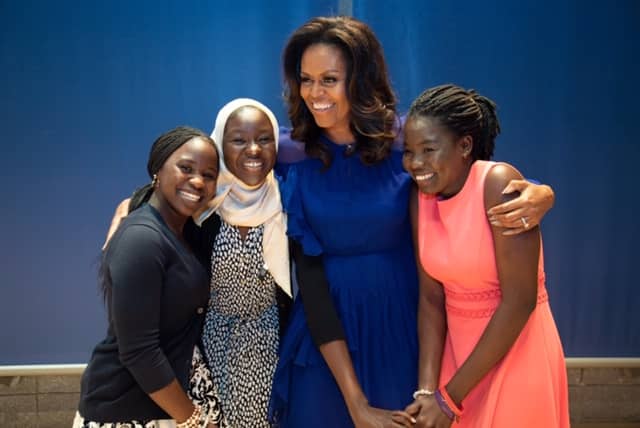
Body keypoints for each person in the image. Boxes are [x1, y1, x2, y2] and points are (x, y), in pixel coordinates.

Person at [268, 16, 556, 428]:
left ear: (360, 80)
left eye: (329, 79)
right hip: (325, 334)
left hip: (404, 328)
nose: (315, 93)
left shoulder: (404, 140)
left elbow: (474, 170)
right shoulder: (290, 149)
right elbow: (220, 163)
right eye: (306, 79)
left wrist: (543, 190)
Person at [402, 84, 569, 427]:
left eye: (429, 149)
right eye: (409, 151)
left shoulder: (498, 183)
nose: (416, 163)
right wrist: (427, 391)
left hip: (516, 352)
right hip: (459, 363)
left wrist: (449, 400)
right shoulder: (420, 196)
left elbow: (519, 302)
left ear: (465, 145)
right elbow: (431, 299)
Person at [74, 126, 224, 428]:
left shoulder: (182, 232)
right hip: (130, 409)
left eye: (209, 175)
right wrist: (194, 420)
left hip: (168, 401)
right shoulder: (141, 239)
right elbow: (140, 352)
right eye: (186, 168)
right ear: (157, 169)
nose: (198, 181)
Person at [185, 98, 293, 427]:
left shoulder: (288, 198)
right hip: (209, 344)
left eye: (264, 139)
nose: (253, 150)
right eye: (238, 140)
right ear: (219, 143)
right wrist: (130, 204)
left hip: (270, 341)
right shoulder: (201, 205)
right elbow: (157, 195)